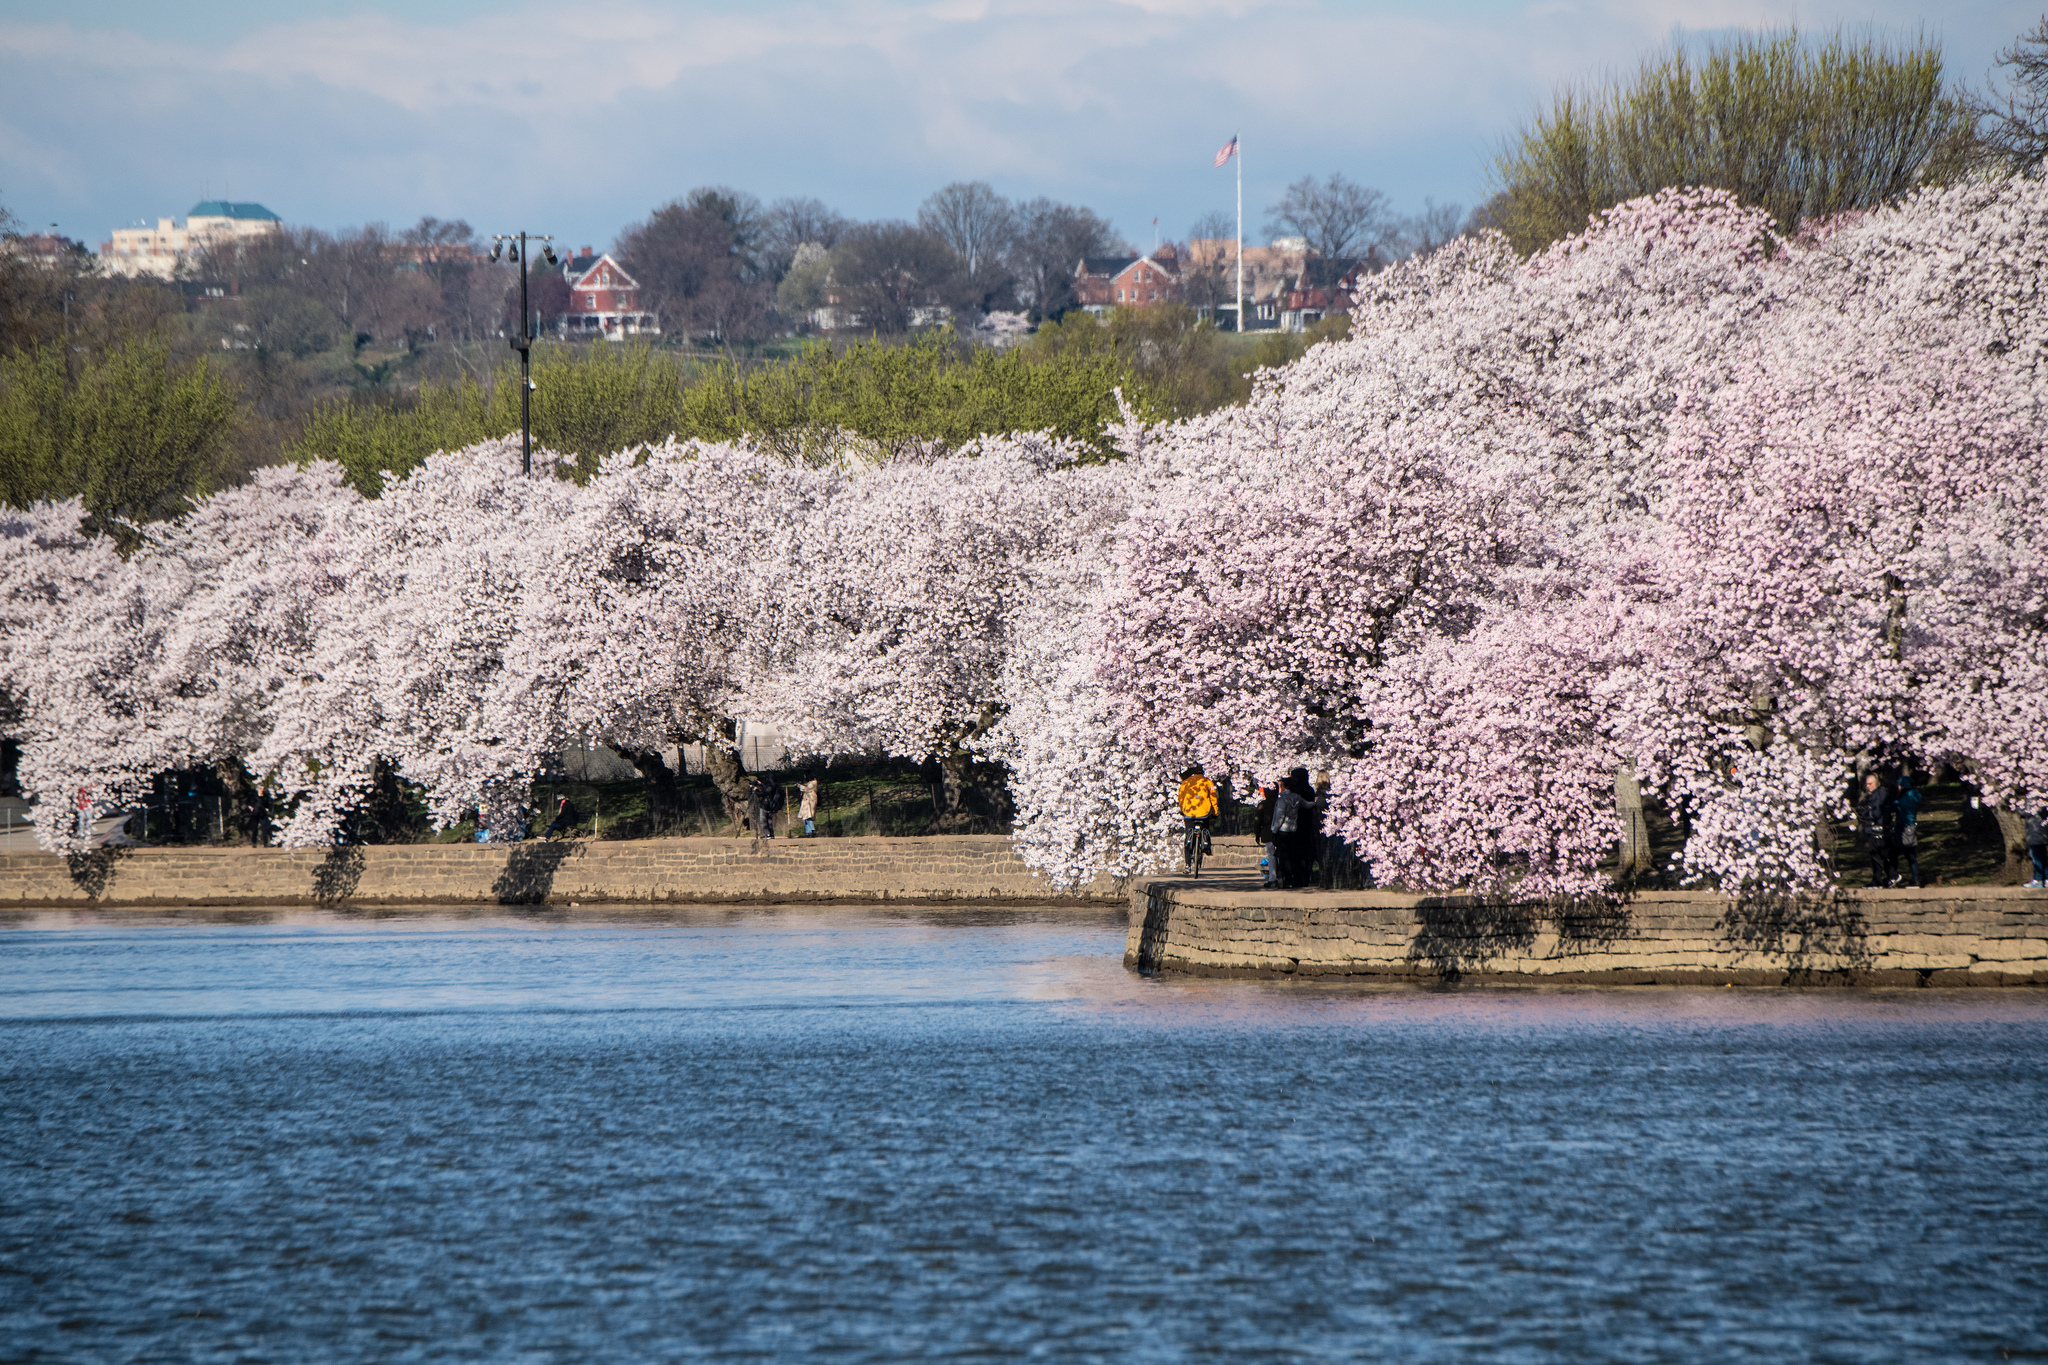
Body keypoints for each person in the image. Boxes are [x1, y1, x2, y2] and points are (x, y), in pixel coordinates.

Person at [1860, 772, 1899, 888]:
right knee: (1874, 855)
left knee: (1877, 854)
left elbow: (1877, 811)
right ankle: (1877, 880)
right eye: (1867, 784)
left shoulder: (1881, 793)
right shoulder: (1873, 795)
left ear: (1876, 783)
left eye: (1870, 784)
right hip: (1872, 829)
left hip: (1880, 829)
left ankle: (1892, 875)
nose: (1868, 786)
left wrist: (1868, 812)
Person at [1177, 763, 1219, 869]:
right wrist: (1215, 812)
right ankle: (1206, 845)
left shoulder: (1185, 782)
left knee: (1188, 835)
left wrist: (1183, 810)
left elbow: (1180, 798)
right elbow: (1213, 798)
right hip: (1203, 813)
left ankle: (1187, 864)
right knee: (1205, 828)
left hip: (1189, 812)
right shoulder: (1209, 782)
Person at [1896, 771, 1924, 889]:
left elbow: (1898, 807)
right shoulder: (1913, 795)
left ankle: (1914, 878)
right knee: (1911, 854)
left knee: (1905, 853)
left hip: (1905, 826)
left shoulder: (1906, 797)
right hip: (1910, 827)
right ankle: (1915, 877)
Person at [2026, 807, 2047, 889]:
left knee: (2037, 857)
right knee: (2043, 857)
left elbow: (2023, 811)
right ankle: (2045, 879)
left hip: (2035, 835)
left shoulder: (2033, 802)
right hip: (2042, 835)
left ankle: (2038, 879)